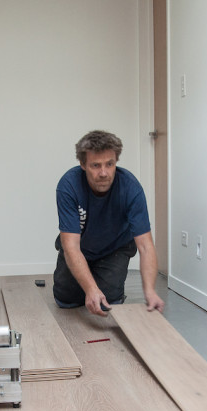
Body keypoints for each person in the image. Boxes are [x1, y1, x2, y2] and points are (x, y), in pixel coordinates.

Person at [53, 130, 165, 317]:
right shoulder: (69, 185)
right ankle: (83, 285)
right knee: (66, 300)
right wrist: (90, 289)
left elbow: (145, 245)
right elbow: (71, 246)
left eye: (109, 164)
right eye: (96, 165)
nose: (104, 173)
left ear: (116, 162)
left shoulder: (131, 188)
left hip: (115, 248)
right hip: (80, 246)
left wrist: (150, 291)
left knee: (109, 301)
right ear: (83, 164)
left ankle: (102, 283)